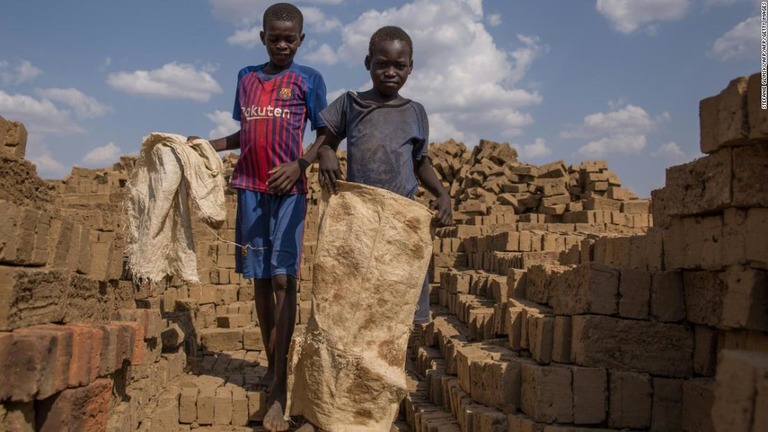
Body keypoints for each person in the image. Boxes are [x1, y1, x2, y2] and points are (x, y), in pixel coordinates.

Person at [295, 25, 451, 432]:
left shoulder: (415, 112)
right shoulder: (350, 104)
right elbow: (324, 141)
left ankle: (374, 413)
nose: (390, 72)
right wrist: (327, 152)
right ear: (368, 64)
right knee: (340, 317)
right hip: (357, 230)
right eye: (382, 64)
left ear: (411, 68)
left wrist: (443, 193)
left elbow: (420, 162)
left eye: (399, 66)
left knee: (389, 325)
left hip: (398, 231)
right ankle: (325, 409)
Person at [198, 3, 327, 431]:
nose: (283, 44)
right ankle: (273, 363)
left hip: (289, 192)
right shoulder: (246, 78)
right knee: (258, 280)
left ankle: (281, 388)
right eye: (275, 37)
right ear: (263, 37)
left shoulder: (308, 79)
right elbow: (245, 132)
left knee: (284, 279)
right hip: (250, 190)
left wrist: (301, 165)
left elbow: (326, 134)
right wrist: (205, 145)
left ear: (301, 40)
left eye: (290, 38)